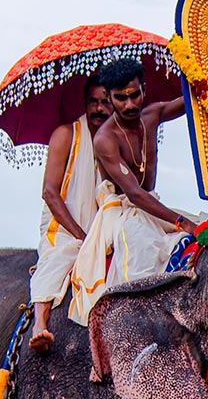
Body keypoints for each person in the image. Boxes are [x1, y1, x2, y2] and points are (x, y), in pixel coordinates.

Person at [65, 59, 195, 325]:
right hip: (122, 212)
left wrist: (203, 78)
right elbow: (134, 194)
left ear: (143, 89)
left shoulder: (152, 114)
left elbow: (192, 102)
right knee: (142, 251)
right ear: (110, 99)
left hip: (152, 204)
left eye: (134, 95)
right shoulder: (105, 139)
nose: (130, 104)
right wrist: (182, 223)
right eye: (120, 98)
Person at [28, 77, 113, 352]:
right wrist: (81, 236)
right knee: (60, 257)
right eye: (94, 102)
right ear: (85, 103)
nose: (99, 108)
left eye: (105, 102)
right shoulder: (66, 134)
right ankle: (39, 323)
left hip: (100, 227)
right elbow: (50, 192)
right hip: (63, 228)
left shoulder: (113, 141)